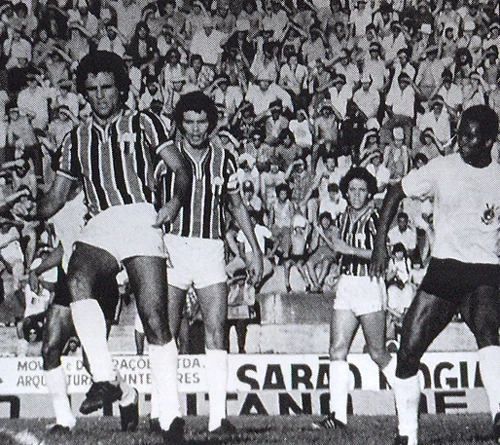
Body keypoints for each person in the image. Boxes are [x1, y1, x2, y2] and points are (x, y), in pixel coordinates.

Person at [37, 51, 190, 445]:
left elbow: (181, 169)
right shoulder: (75, 139)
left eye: (107, 87)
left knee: (155, 319)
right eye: (92, 90)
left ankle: (171, 417)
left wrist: (173, 202)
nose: (100, 96)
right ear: (84, 94)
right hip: (102, 220)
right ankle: (104, 378)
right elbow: (53, 200)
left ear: (121, 88)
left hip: (141, 216)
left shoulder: (146, 123)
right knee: (78, 273)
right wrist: (19, 202)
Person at [370, 105, 500, 445]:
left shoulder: (499, 178)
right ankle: (407, 435)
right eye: (461, 134)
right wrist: (380, 245)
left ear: (490, 141)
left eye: (473, 137)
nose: (464, 143)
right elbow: (395, 192)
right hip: (446, 268)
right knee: (408, 349)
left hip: (485, 269)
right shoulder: (442, 168)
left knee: (488, 333)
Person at [158, 91, 263, 435]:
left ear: (211, 123)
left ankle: (218, 418)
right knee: (167, 331)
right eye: (188, 121)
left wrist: (255, 251)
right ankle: (168, 415)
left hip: (210, 249)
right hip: (173, 246)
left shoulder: (225, 159)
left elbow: (236, 206)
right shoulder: (165, 157)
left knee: (216, 330)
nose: (195, 128)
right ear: (179, 123)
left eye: (202, 121)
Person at [34, 186, 138, 434]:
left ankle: (127, 393)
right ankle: (63, 419)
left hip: (99, 282)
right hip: (67, 279)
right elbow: (64, 246)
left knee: (91, 363)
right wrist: (36, 270)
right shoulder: (55, 202)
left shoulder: (93, 196)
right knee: (49, 348)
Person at [312, 167, 396, 430]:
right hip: (347, 284)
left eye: (362, 190)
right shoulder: (342, 217)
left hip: (370, 285)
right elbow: (338, 247)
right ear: (346, 192)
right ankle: (337, 416)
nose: (357, 194)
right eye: (352, 190)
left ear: (370, 192)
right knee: (337, 350)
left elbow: (383, 255)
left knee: (377, 352)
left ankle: (407, 395)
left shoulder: (374, 219)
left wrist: (347, 249)